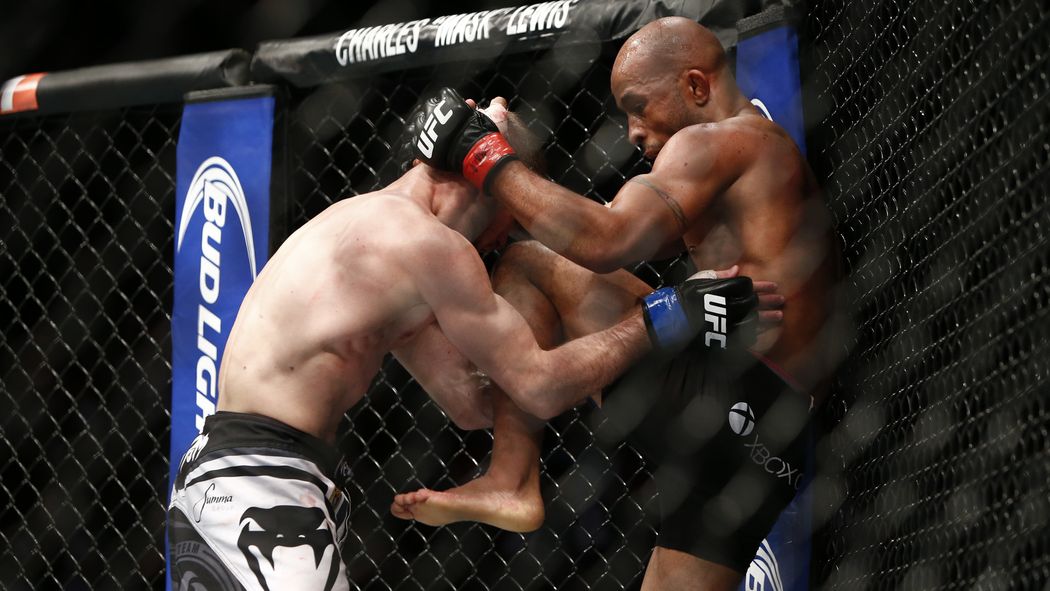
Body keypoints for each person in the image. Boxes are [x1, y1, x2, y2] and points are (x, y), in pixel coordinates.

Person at [166, 99, 762, 590]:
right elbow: (540, 386)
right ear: (495, 187)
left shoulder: (361, 225)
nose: (498, 244)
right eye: (510, 221)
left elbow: (473, 404)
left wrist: (544, 311)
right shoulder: (426, 245)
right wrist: (663, 314)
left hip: (240, 476)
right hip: (260, 486)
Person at [394, 16, 842, 591]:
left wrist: (481, 153)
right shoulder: (759, 157)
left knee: (527, 263)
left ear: (695, 86)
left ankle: (511, 476)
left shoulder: (714, 142)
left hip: (730, 390)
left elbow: (604, 240)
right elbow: (593, 232)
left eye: (638, 107)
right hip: (772, 447)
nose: (632, 132)